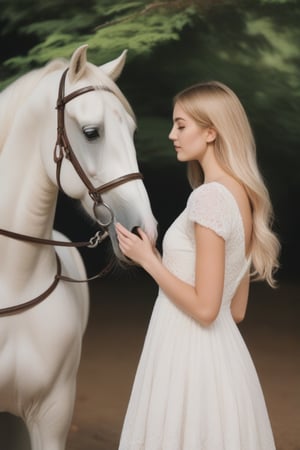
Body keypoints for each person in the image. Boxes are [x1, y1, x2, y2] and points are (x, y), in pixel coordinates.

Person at [115, 81, 280, 450]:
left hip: (186, 358)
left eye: (181, 125)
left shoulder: (208, 199)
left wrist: (150, 262)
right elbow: (235, 311)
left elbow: (207, 309)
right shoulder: (242, 196)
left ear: (210, 132)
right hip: (223, 362)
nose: (172, 134)